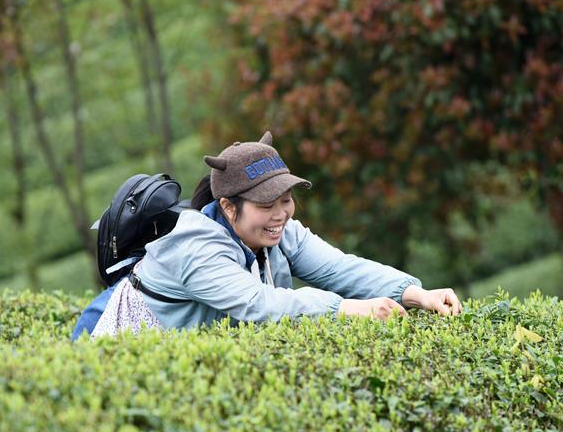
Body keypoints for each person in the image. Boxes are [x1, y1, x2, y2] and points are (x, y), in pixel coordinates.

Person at [88, 131, 461, 338]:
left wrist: (415, 293)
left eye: (286, 200)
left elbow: (339, 268)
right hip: (123, 355)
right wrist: (347, 309)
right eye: (267, 204)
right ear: (229, 207)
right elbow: (258, 304)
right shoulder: (196, 248)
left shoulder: (277, 231)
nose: (281, 214)